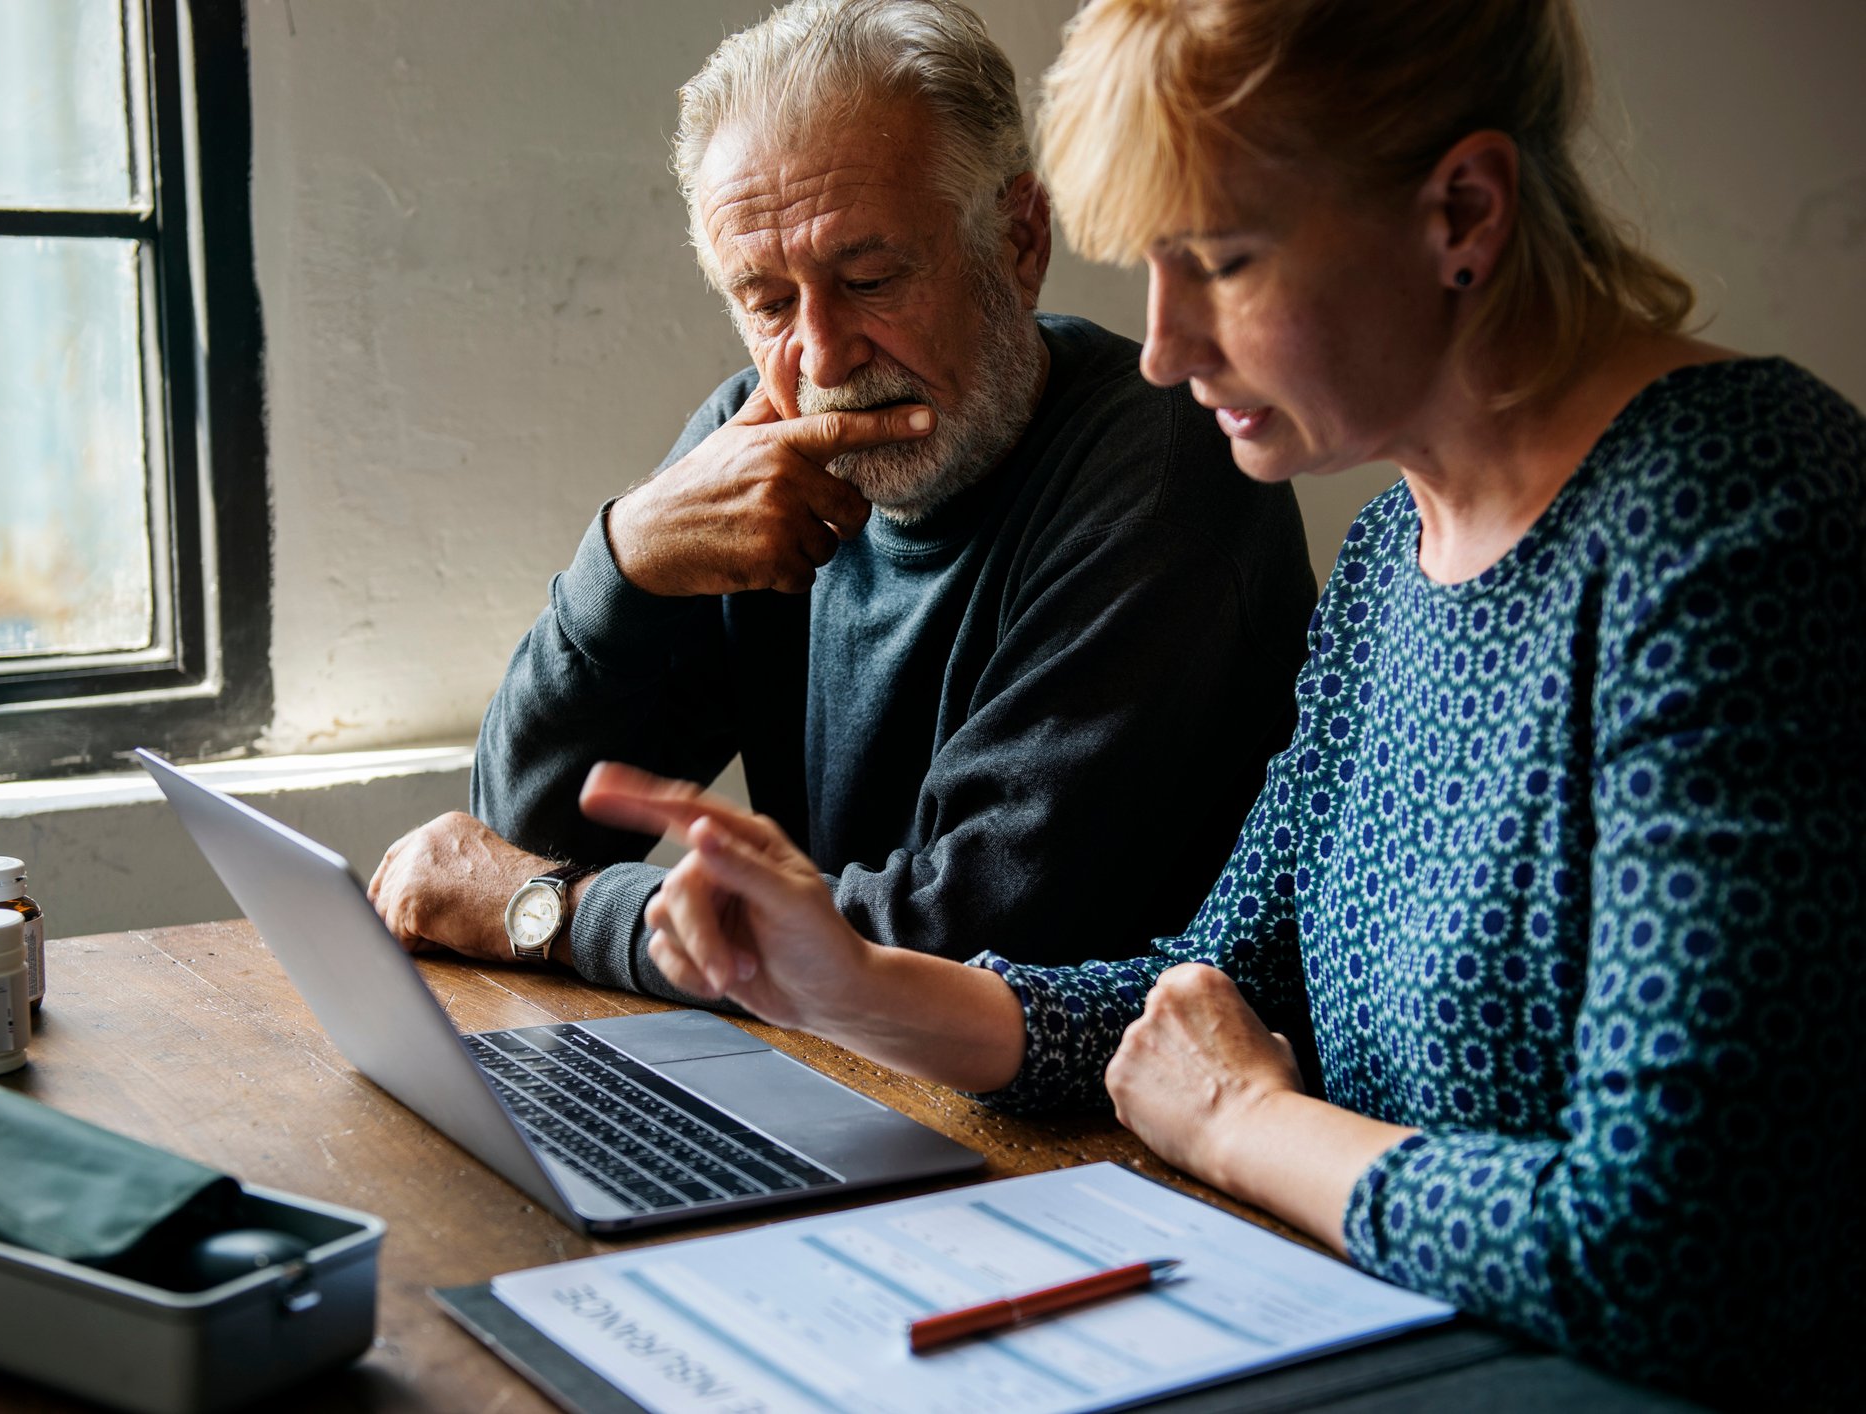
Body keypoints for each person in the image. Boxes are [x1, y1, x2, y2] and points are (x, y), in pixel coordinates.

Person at [577, 0, 1866, 1405]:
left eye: (1223, 262)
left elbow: (1677, 1252)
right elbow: (1215, 983)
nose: (1160, 348)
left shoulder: (1736, 522)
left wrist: (1250, 1125)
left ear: (1462, 212)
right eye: (1147, 268)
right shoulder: (1393, 550)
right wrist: (849, 981)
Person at [368, 0, 1315, 1000]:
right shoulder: (758, 443)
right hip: (847, 1075)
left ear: (1020, 240)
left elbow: (960, 944)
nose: (821, 355)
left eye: (868, 278)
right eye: (767, 303)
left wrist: (554, 914)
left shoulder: (1164, 474)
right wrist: (624, 556)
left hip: (1090, 1126)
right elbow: (523, 829)